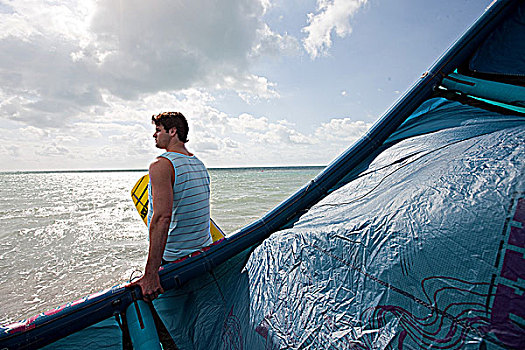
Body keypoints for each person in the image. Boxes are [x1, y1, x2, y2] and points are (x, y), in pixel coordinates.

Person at [129, 112, 213, 302]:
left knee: (136, 284)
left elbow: (161, 218)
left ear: (173, 131)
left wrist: (151, 275)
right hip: (203, 250)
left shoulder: (161, 165)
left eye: (158, 130)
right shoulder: (199, 164)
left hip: (175, 258)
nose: (154, 135)